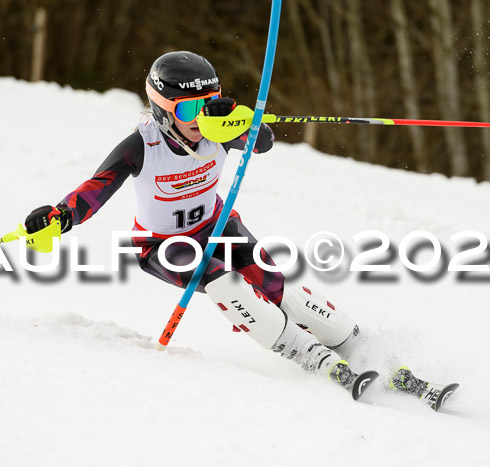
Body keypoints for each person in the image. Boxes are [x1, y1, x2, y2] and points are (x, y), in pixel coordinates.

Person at [25, 51, 369, 395]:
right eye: (188, 109)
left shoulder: (217, 130)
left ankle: (353, 341)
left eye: (209, 104)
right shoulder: (143, 146)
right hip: (162, 245)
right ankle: (311, 356)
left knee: (274, 284)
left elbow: (261, 142)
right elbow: (96, 189)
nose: (199, 117)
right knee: (225, 283)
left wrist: (237, 119)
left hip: (218, 226)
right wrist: (61, 215)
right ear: (161, 110)